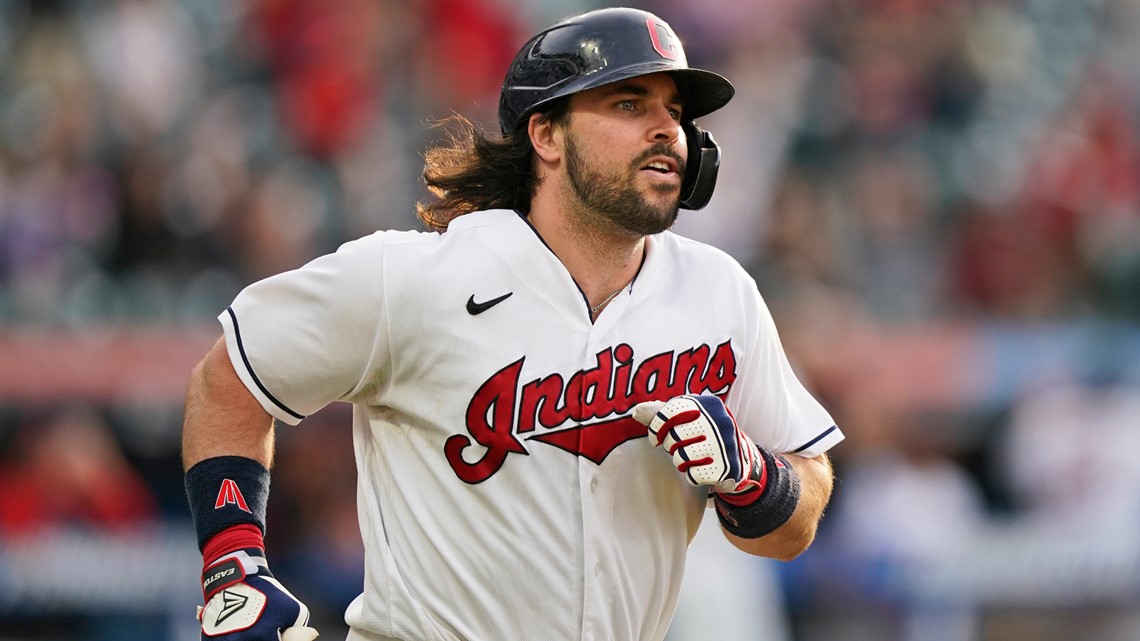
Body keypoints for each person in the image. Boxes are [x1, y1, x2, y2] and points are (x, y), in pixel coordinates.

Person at [180, 7, 843, 641]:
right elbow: (231, 376)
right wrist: (234, 562)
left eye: (674, 111)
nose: (667, 129)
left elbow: (799, 513)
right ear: (546, 135)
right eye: (628, 104)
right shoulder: (417, 277)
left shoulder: (719, 292)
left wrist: (756, 476)